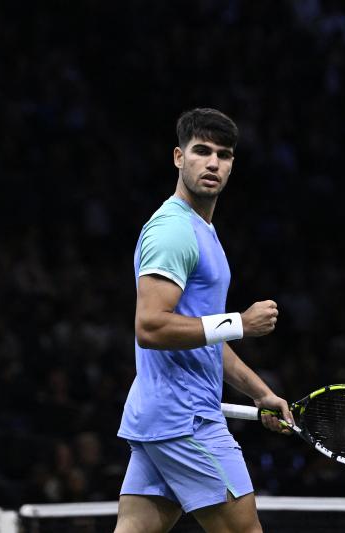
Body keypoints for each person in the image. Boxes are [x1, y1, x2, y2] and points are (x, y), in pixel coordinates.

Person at [115, 108, 293, 533]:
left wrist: (260, 392)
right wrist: (240, 323)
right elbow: (151, 327)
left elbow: (201, 338)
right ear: (179, 158)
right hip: (186, 421)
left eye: (224, 155)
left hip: (161, 418)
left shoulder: (202, 230)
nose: (213, 163)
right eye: (201, 151)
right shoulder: (174, 230)